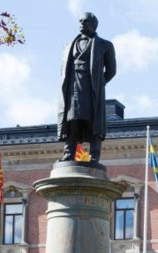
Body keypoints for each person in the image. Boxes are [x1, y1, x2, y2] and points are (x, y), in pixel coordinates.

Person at [58, 12, 116, 163]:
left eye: (85, 21)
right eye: (80, 21)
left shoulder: (105, 45)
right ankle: (68, 153)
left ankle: (94, 155)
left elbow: (111, 70)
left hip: (92, 89)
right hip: (73, 88)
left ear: (94, 25)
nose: (81, 23)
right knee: (72, 121)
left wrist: (99, 82)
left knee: (94, 121)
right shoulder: (67, 46)